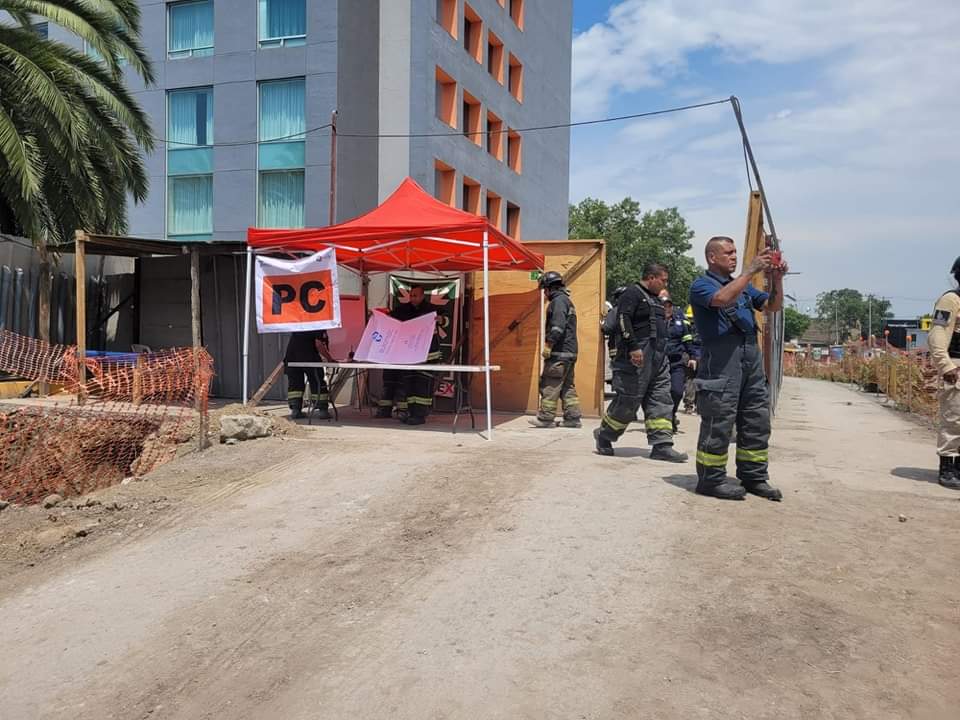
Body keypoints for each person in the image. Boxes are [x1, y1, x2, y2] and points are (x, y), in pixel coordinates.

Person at [689, 237, 786, 501]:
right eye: (728, 253)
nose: (733, 257)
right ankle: (710, 480)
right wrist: (750, 271)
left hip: (749, 357)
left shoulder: (744, 288)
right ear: (712, 257)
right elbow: (721, 299)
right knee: (719, 419)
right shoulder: (702, 285)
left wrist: (776, 280)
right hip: (721, 360)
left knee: (756, 419)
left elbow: (772, 306)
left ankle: (754, 477)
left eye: (735, 252)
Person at [593, 263, 687, 462]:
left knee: (661, 399)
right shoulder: (632, 294)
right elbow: (623, 320)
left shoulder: (656, 299)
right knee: (629, 402)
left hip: (658, 358)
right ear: (651, 277)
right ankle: (604, 435)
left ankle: (662, 445)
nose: (665, 284)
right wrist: (634, 347)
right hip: (636, 358)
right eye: (663, 280)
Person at [375, 284, 442, 425]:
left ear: (422, 296)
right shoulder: (403, 310)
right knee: (409, 384)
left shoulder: (431, 310)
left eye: (415, 295)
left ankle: (420, 415)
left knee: (422, 385)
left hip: (428, 356)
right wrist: (380, 317)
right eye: (411, 295)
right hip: (410, 355)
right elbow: (391, 320)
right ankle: (411, 413)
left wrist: (441, 320)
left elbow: (446, 320)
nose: (412, 298)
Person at [535, 271, 582, 427]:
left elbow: (557, 327)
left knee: (551, 384)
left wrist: (549, 345)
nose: (545, 293)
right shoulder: (567, 301)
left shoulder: (558, 302)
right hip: (570, 353)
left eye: (545, 290)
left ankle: (545, 419)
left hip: (559, 353)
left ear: (550, 288)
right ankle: (573, 418)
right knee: (567, 387)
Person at [928, 256, 960, 489]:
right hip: (956, 367)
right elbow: (937, 335)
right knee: (954, 418)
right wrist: (946, 366)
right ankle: (948, 466)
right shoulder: (950, 300)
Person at [661, 292, 700, 433]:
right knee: (659, 394)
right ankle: (663, 420)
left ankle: (671, 414)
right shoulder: (654, 321)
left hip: (676, 362)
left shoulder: (680, 322)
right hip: (659, 363)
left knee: (677, 391)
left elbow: (688, 340)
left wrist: (692, 357)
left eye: (669, 306)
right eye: (664, 306)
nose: (667, 309)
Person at [284, 330, 330, 420]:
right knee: (317, 382)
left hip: (292, 357)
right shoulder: (318, 325)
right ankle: (323, 411)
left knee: (295, 385)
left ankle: (295, 411)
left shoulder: (300, 324)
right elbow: (319, 344)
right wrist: (329, 358)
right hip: (310, 357)